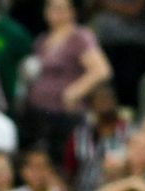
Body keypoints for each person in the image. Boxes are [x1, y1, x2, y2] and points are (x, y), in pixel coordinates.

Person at [20, 0, 111, 161]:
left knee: (63, 159)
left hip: (65, 114)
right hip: (40, 113)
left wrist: (75, 91)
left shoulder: (80, 37)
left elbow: (101, 70)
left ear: (72, 12)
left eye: (61, 7)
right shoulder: (42, 40)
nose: (55, 11)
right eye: (51, 6)